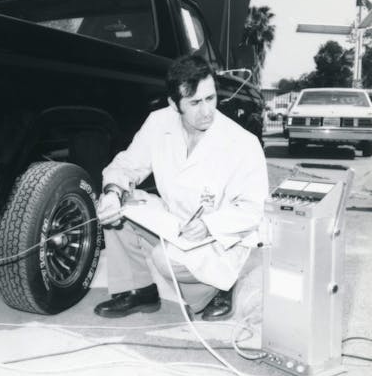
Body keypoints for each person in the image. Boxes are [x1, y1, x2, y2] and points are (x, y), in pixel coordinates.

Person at [94, 54, 268, 320]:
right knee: (118, 205)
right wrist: (111, 194)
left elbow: (253, 210)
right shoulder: (158, 122)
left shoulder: (242, 143)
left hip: (220, 238)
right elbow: (127, 165)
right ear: (174, 105)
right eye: (195, 102)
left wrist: (210, 224)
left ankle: (222, 287)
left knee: (164, 258)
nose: (207, 110)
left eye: (211, 98)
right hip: (176, 224)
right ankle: (137, 291)